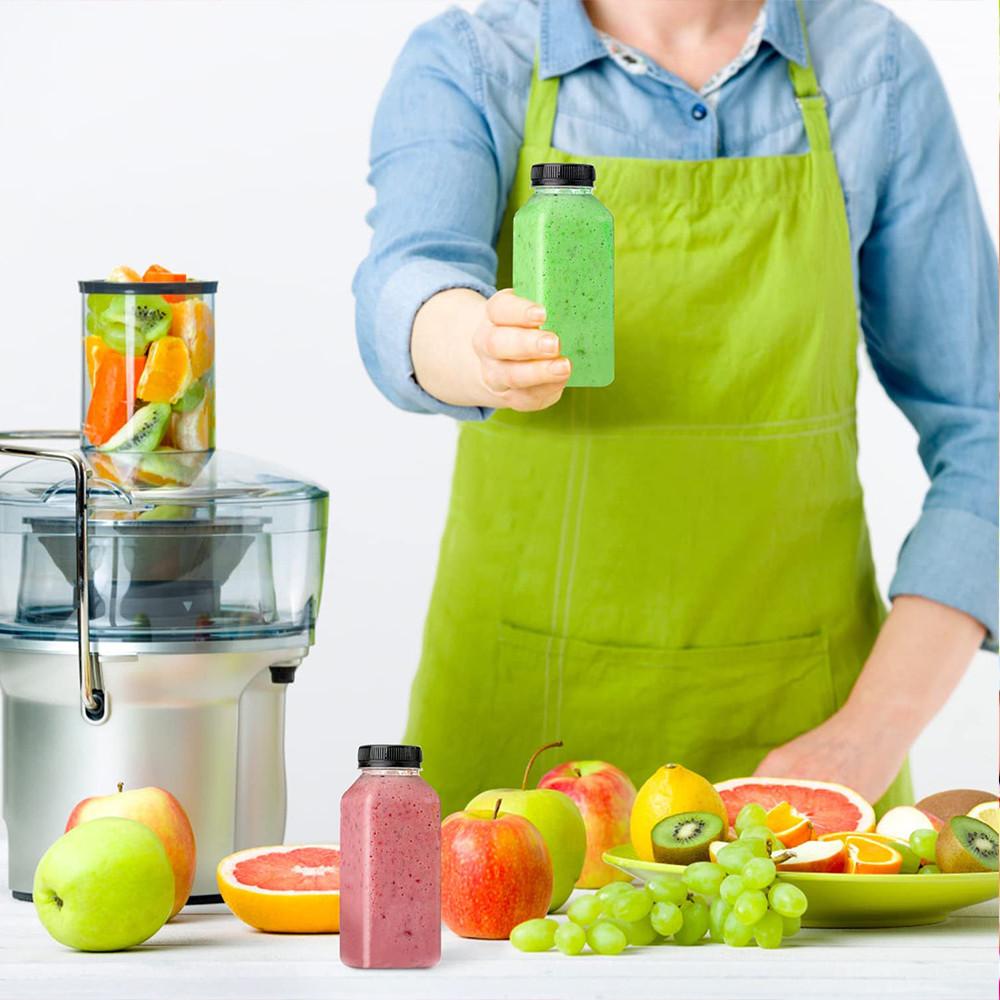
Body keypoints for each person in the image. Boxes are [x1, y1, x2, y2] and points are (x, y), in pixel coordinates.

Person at [354, 0, 998, 818]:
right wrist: (472, 344)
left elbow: (986, 429)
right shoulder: (476, 59)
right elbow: (408, 276)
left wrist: (871, 733)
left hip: (804, 753)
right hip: (517, 755)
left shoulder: (873, 69)